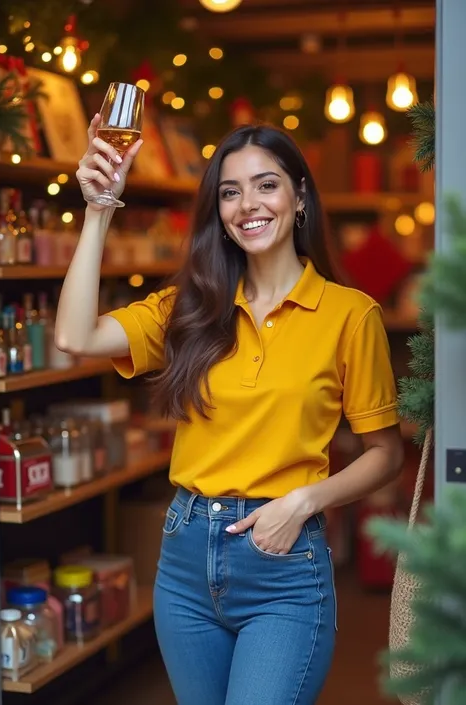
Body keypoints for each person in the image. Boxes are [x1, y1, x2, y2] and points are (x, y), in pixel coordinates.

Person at [56, 114, 404, 705]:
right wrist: (97, 210)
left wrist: (304, 501)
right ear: (218, 212)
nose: (249, 204)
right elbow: (74, 336)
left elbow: (386, 455)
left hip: (284, 562)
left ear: (299, 197)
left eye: (266, 184)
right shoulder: (188, 306)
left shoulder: (351, 315)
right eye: (230, 191)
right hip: (186, 557)